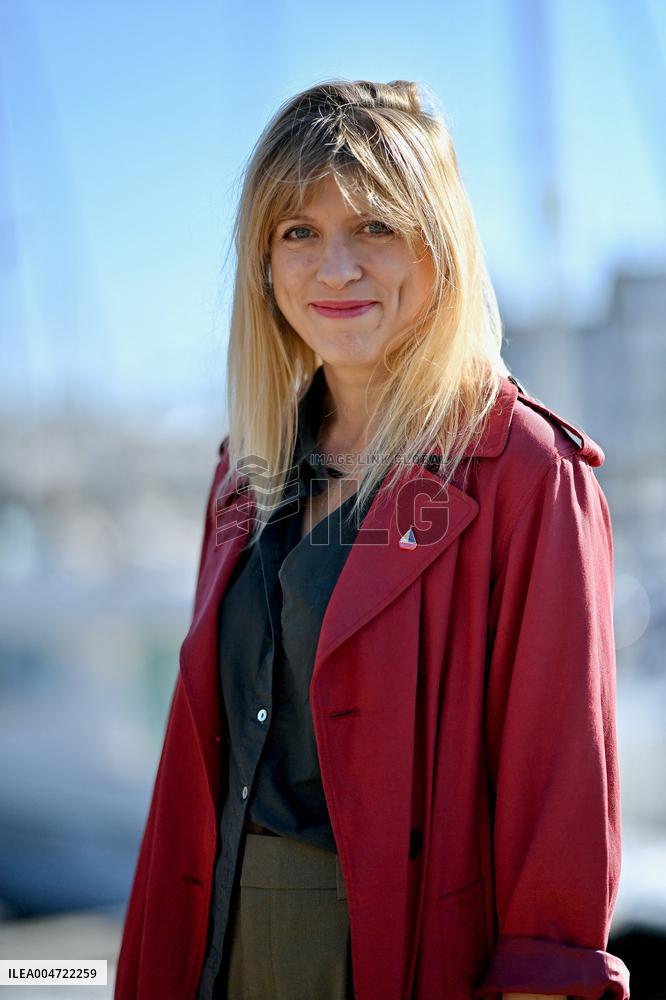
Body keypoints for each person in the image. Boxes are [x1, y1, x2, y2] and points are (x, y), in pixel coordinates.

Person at [114, 79, 630, 1000]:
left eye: (376, 228)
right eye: (298, 232)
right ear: (265, 265)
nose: (335, 269)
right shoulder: (243, 471)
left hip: (396, 957)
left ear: (438, 246)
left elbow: (563, 806)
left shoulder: (526, 473)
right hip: (211, 946)